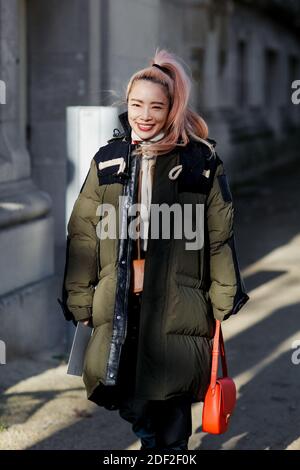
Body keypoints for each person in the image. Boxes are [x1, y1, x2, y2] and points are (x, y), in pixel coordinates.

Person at [58, 48, 249, 451]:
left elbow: (219, 235)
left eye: (156, 106)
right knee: (134, 402)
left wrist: (224, 295)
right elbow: (83, 234)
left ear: (172, 109)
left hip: (181, 301)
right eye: (136, 104)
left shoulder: (200, 163)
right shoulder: (108, 162)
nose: (144, 114)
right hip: (121, 302)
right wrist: (80, 297)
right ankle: (152, 445)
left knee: (174, 408)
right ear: (126, 106)